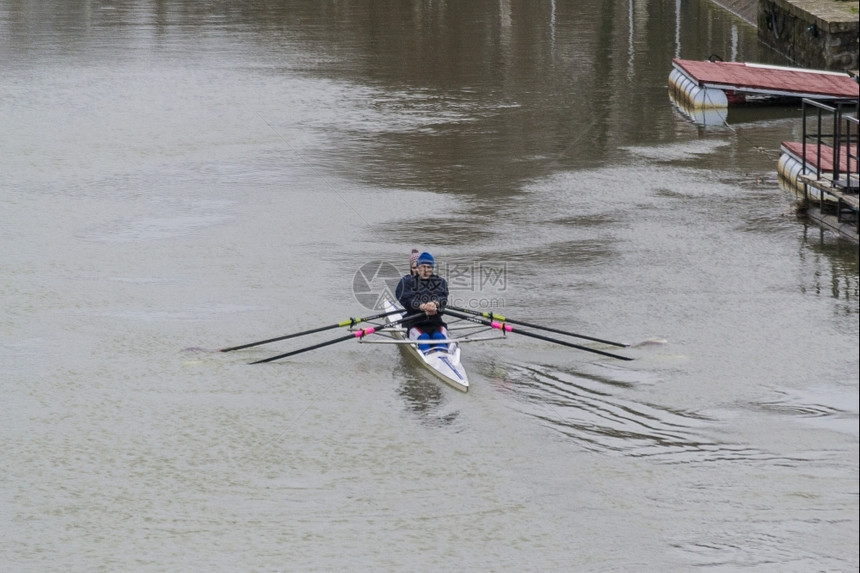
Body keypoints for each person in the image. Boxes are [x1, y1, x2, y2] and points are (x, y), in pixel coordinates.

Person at [395, 251, 449, 353]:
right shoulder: (408, 282)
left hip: (435, 322)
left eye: (429, 267)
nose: (425, 270)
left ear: (432, 269)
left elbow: (443, 297)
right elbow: (406, 299)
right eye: (423, 266)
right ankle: (427, 354)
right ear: (418, 267)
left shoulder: (440, 282)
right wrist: (422, 306)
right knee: (424, 338)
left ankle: (443, 354)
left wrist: (435, 303)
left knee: (438, 337)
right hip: (414, 322)